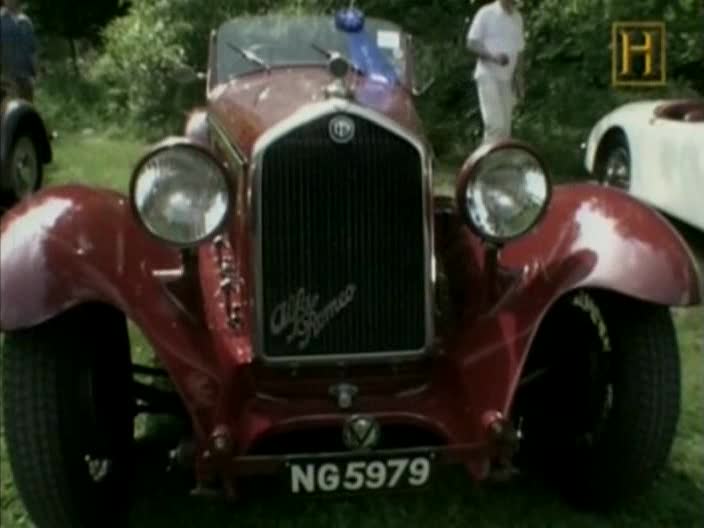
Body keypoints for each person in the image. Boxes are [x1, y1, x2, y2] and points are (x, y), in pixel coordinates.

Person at [466, 0, 526, 144]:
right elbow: (471, 43)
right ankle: (488, 164)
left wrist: (519, 79)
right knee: (495, 125)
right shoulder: (486, 13)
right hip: (487, 74)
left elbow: (520, 51)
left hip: (507, 78)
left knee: (505, 128)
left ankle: (499, 163)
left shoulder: (517, 17)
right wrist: (492, 57)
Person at [1, 0, 38, 101]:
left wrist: (35, 74)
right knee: (9, 111)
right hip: (7, 78)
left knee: (26, 110)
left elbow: (32, 50)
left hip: (26, 77)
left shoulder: (26, 22)